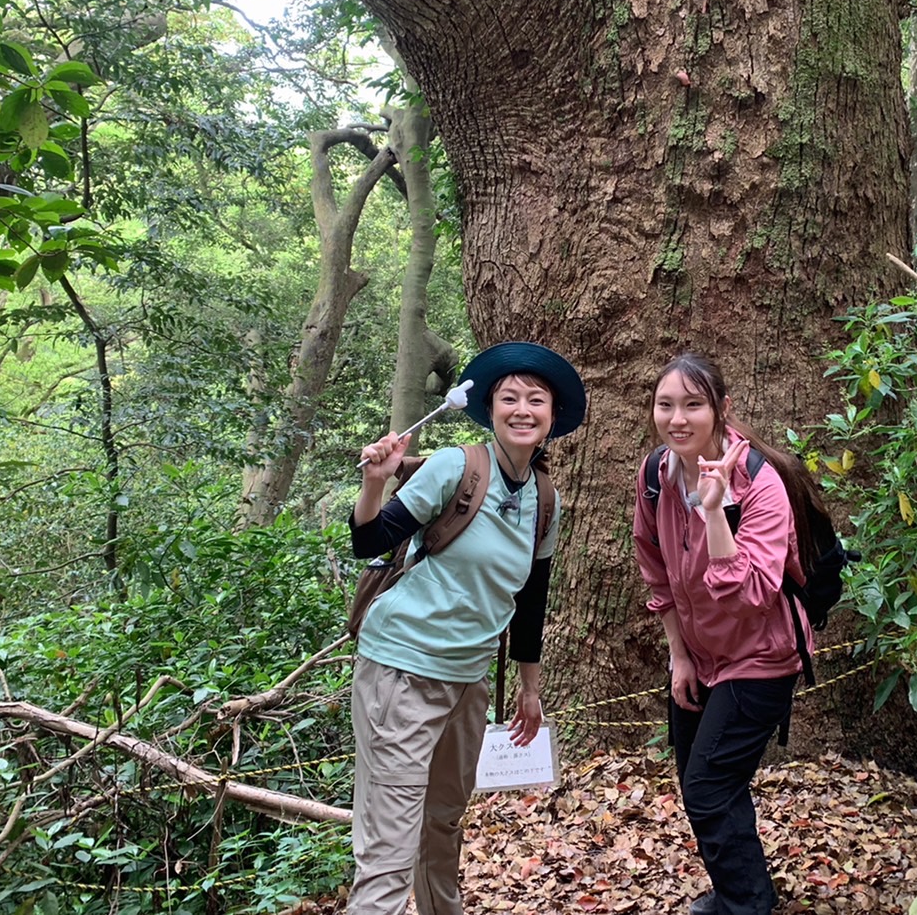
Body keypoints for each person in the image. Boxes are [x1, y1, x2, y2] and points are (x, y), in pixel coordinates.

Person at [346, 341, 586, 915]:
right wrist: (375, 483)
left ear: (552, 416)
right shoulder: (457, 466)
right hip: (402, 671)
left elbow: (531, 599)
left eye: (536, 399)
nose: (522, 409)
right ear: (491, 409)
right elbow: (369, 541)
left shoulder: (544, 498)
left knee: (443, 825)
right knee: (390, 845)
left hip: (468, 683)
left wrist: (529, 690)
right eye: (510, 398)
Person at [631, 352, 816, 915]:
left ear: (721, 409)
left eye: (693, 405)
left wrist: (715, 512)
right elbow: (655, 566)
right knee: (700, 781)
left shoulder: (759, 482)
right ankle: (743, 893)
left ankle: (745, 905)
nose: (678, 418)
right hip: (700, 656)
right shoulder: (655, 474)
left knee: (708, 785)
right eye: (667, 405)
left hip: (762, 657)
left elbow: (752, 593)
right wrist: (678, 656)